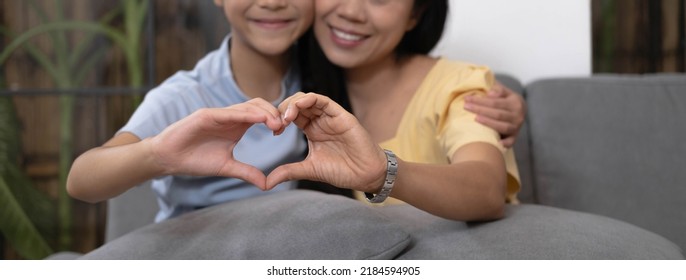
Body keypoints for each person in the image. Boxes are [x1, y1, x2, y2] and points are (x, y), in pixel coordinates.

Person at [67, 0, 523, 222]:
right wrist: (156, 154)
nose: (274, 1)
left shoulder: (318, 77)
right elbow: (83, 177)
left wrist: (510, 103)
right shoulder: (188, 95)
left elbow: (480, 184)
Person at [267, 0, 520, 221]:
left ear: (415, 15)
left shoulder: (456, 85)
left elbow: (487, 190)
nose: (351, 11)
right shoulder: (295, 82)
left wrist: (384, 173)